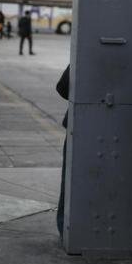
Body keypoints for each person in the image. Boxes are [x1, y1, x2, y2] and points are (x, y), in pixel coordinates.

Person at [55, 65, 70, 240]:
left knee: (70, 178)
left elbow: (62, 88)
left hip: (78, 124)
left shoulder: (84, 52)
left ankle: (64, 227)